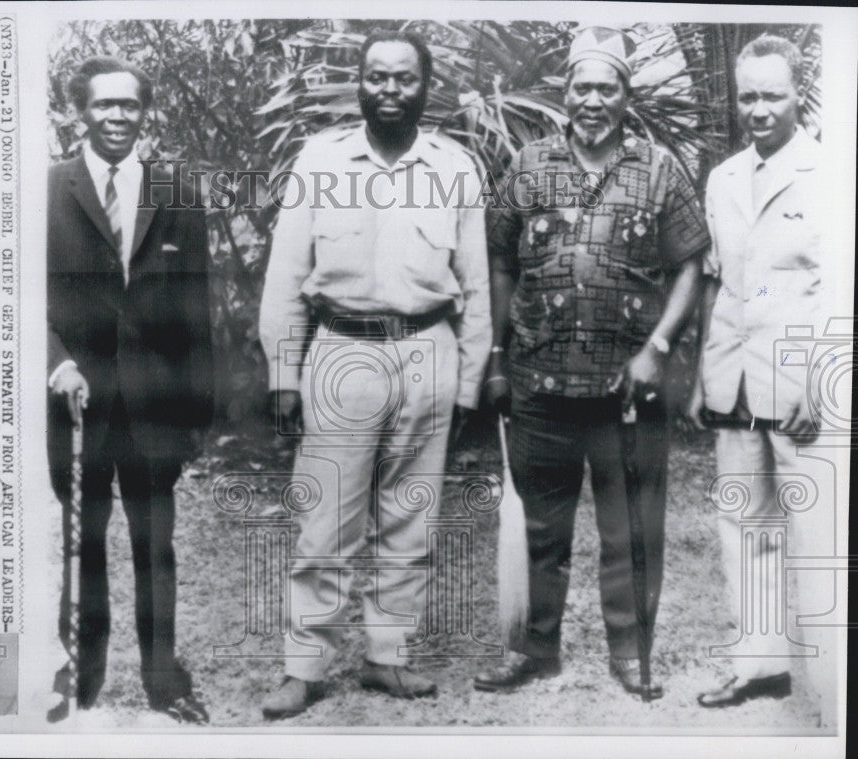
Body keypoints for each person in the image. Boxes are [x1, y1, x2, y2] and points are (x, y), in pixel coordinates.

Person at [258, 30, 491, 719]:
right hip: (341, 347)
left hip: (429, 350)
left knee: (410, 516)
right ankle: (304, 666)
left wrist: (471, 379)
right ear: (361, 83)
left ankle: (387, 656)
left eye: (405, 79)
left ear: (426, 88)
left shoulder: (455, 167)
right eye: (378, 77)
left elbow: (475, 285)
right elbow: (285, 272)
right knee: (325, 520)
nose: (391, 90)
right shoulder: (322, 158)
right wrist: (283, 371)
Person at [475, 26, 708, 699]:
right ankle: (533, 647)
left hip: (627, 390)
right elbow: (498, 258)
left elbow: (691, 263)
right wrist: (495, 355)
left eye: (608, 87)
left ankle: (632, 653)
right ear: (566, 91)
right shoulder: (528, 165)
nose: (593, 100)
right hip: (539, 385)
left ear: (626, 95)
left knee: (629, 529)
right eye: (583, 86)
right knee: (540, 527)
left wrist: (656, 348)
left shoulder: (658, 169)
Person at [47, 56, 213, 723]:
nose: (117, 117)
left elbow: (197, 306)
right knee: (80, 541)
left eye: (129, 106)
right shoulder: (47, 190)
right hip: (75, 402)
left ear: (146, 112)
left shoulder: (176, 192)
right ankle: (77, 681)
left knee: (156, 546)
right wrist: (56, 361)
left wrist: (197, 409)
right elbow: (16, 295)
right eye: (103, 105)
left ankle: (164, 681)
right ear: (78, 111)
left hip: (155, 404)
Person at [688, 35, 835, 715]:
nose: (758, 108)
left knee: (819, 535)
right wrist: (702, 378)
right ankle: (760, 666)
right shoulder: (723, 178)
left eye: (772, 94)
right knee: (745, 526)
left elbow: (842, 288)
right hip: (736, 381)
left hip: (805, 386)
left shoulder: (831, 172)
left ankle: (833, 691)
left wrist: (821, 378)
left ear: (796, 93)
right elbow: (720, 285)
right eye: (747, 95)